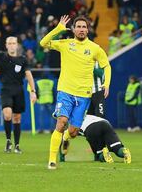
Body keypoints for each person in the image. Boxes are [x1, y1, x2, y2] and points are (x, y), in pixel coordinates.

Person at [40, 15, 111, 169]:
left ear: (88, 30)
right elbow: (43, 43)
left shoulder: (95, 48)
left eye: (84, 27)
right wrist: (59, 29)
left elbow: (106, 65)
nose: (81, 29)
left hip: (84, 95)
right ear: (73, 29)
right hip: (65, 91)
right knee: (61, 122)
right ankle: (52, 160)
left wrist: (106, 83)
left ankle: (66, 138)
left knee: (73, 131)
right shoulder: (65, 44)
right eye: (78, 26)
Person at [60, 114, 131, 164]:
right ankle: (124, 152)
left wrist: (62, 156)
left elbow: (64, 143)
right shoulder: (85, 115)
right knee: (117, 148)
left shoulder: (72, 125)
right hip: (106, 124)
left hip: (91, 128)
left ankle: (103, 154)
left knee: (98, 155)